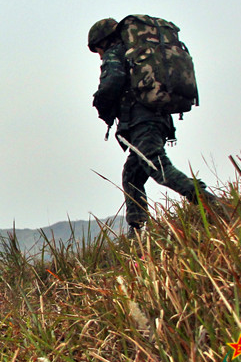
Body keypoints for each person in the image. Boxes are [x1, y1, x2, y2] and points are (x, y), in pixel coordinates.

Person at [88, 18, 211, 235]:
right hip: (159, 119)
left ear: (103, 42)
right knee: (132, 175)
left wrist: (100, 102)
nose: (99, 55)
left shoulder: (116, 53)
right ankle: (137, 231)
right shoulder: (137, 54)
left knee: (157, 167)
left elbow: (112, 82)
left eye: (98, 50)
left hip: (141, 120)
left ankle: (209, 203)